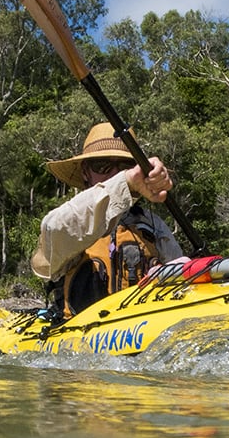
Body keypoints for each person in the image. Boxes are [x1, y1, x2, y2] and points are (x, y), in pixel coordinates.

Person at [31, 122, 184, 319]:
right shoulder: (71, 217)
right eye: (102, 165)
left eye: (125, 166)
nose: (114, 174)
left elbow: (181, 277)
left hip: (144, 327)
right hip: (82, 337)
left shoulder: (152, 224)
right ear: (86, 172)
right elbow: (54, 227)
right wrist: (125, 182)